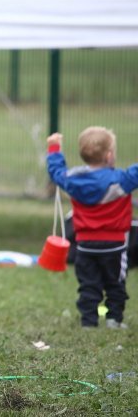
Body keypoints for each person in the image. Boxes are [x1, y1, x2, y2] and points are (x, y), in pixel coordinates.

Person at [46, 128, 137, 329]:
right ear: (109, 155)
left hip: (84, 245)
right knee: (116, 283)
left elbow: (55, 172)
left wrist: (54, 147)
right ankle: (114, 319)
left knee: (88, 284)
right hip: (115, 245)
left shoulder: (72, 180)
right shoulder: (121, 180)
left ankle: (89, 322)